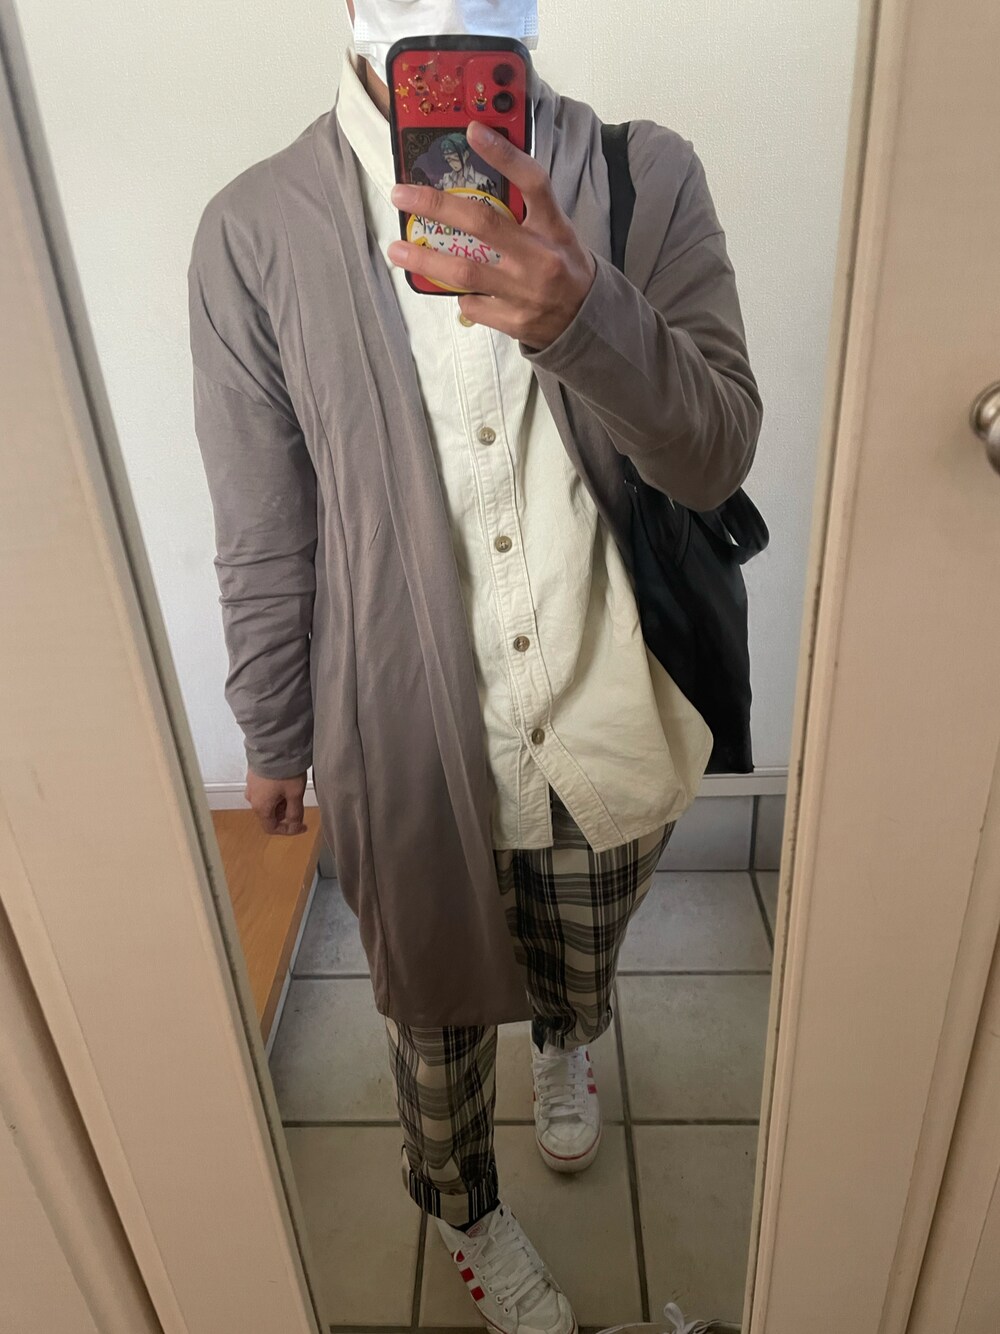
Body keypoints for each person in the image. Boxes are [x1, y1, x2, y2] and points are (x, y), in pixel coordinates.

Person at [188, 3, 761, 1331]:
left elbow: (716, 452)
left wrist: (586, 314)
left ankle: (566, 1045)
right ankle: (467, 1212)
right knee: (431, 1032)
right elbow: (264, 519)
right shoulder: (253, 230)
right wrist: (274, 728)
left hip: (607, 707)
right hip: (405, 740)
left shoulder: (643, 173)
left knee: (582, 960)